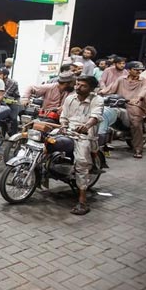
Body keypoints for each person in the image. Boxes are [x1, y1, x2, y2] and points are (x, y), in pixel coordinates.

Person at [59, 75, 104, 215]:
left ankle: (83, 201)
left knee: (81, 162)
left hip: (85, 135)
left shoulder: (97, 100)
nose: (78, 87)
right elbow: (64, 116)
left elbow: (95, 117)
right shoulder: (70, 98)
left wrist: (86, 126)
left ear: (91, 88)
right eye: (77, 84)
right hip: (68, 131)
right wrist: (63, 126)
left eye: (82, 85)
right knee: (44, 141)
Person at [98, 61, 146, 158]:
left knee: (136, 124)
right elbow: (110, 89)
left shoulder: (143, 81)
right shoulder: (121, 79)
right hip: (118, 103)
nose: (139, 71)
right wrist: (99, 93)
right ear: (128, 70)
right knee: (102, 114)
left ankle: (138, 148)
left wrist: (137, 98)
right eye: (136, 69)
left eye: (140, 70)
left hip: (135, 105)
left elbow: (144, 90)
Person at [0, 68, 21, 135]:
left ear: (5, 75)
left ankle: (14, 136)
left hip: (13, 101)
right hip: (2, 101)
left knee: (13, 118)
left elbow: (5, 94)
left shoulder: (13, 82)